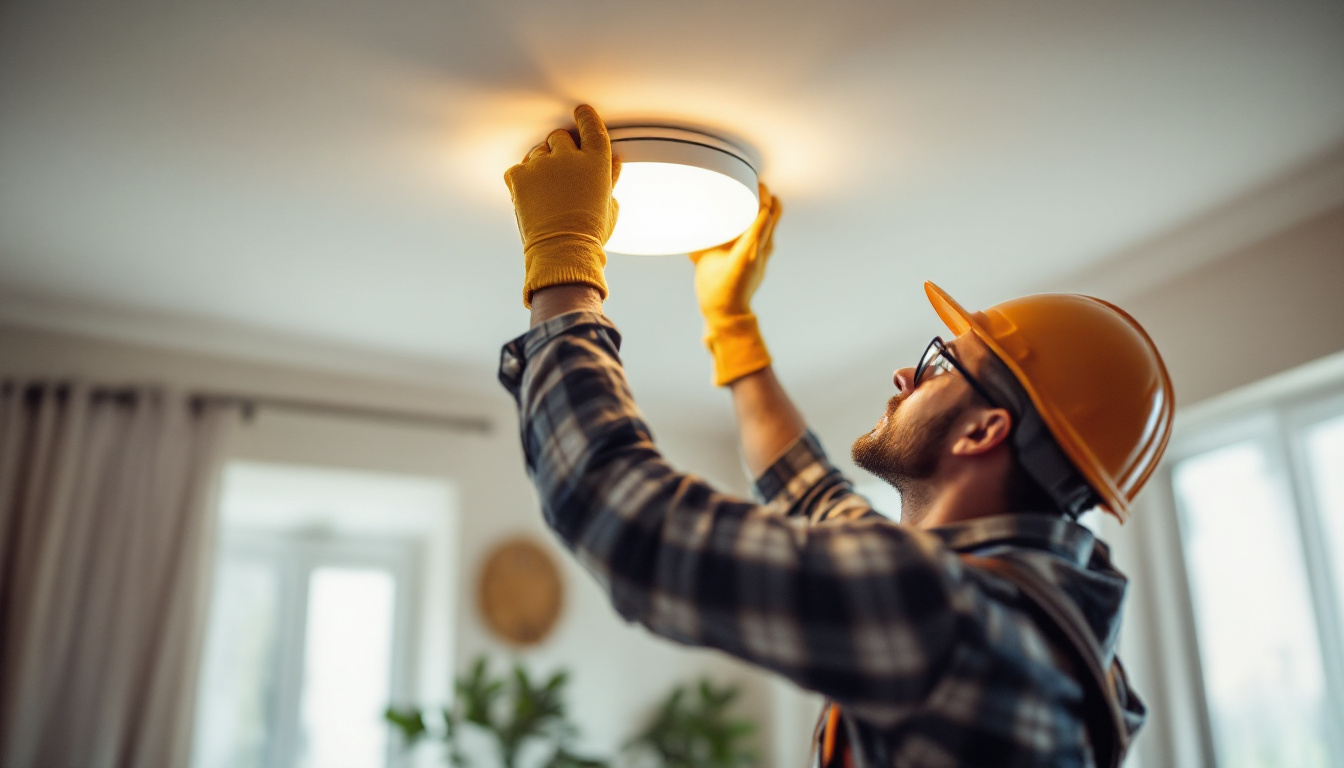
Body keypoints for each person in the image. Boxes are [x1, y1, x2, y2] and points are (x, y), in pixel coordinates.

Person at [499, 104, 1173, 767]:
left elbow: (630, 521)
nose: (907, 372)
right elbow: (814, 496)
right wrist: (734, 330)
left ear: (985, 429)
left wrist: (564, 265)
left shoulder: (949, 618)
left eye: (943, 364)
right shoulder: (1048, 632)